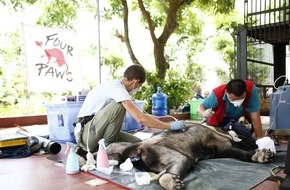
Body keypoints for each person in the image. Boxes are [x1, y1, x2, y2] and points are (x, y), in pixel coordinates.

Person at [74, 64, 185, 153]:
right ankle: (103, 151)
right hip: (86, 136)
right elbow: (140, 118)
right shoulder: (118, 90)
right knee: (118, 106)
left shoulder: (119, 89)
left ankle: (105, 147)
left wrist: (162, 121)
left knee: (139, 143)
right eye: (139, 86)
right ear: (135, 82)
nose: (138, 89)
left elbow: (143, 114)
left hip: (97, 132)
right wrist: (169, 127)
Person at [197, 79, 263, 139]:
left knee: (245, 136)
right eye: (233, 99)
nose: (238, 102)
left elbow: (255, 116)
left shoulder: (251, 90)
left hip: (238, 121)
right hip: (220, 120)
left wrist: (260, 139)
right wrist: (204, 113)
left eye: (241, 98)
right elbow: (200, 107)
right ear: (226, 92)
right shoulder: (217, 94)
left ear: (245, 92)